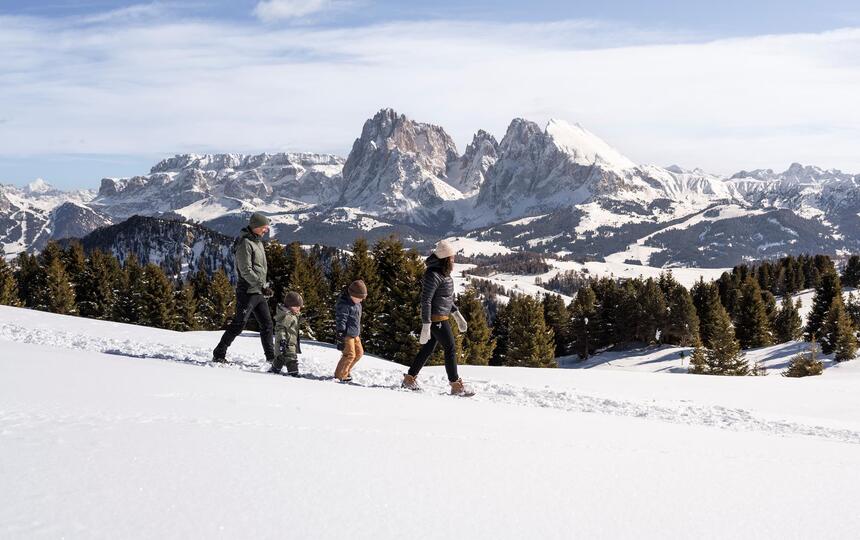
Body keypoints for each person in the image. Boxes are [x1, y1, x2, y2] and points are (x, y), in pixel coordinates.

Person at [403, 240, 474, 396]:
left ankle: (409, 379)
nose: (454, 261)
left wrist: (457, 315)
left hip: (441, 316)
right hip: (437, 319)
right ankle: (456, 385)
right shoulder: (433, 274)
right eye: (452, 258)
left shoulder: (442, 273)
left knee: (427, 349)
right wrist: (426, 324)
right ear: (445, 258)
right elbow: (426, 300)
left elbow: (445, 299)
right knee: (450, 348)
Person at [212, 212, 275, 364]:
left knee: (267, 325)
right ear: (255, 227)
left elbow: (259, 268)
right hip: (247, 291)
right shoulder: (245, 243)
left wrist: (264, 286)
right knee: (239, 324)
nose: (266, 230)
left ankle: (271, 357)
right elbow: (245, 269)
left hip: (258, 291)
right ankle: (219, 353)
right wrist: (261, 285)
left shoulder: (257, 242)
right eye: (264, 227)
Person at [334, 280, 367, 383]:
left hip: (355, 334)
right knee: (349, 354)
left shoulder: (357, 304)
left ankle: (346, 370)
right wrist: (340, 333)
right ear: (353, 294)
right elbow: (341, 319)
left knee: (359, 353)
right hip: (346, 334)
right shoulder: (345, 304)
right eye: (360, 298)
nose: (361, 300)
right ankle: (340, 375)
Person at [270, 291, 303, 377]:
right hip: (285, 342)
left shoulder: (292, 314)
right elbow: (281, 329)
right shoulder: (287, 316)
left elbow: (295, 322)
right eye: (296, 306)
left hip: (290, 341)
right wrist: (282, 340)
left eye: (299, 307)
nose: (298, 309)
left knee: (280, 358)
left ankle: (274, 370)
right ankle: (293, 373)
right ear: (289, 306)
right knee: (291, 357)